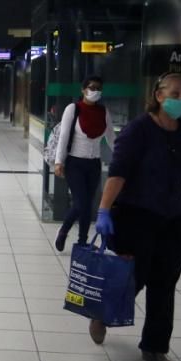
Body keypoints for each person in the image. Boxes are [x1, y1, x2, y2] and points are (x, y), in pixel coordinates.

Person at [93, 72, 181, 361]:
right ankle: (102, 313)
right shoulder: (139, 130)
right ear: (159, 95)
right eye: (174, 93)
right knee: (134, 279)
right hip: (136, 216)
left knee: (165, 284)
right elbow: (118, 171)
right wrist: (103, 210)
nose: (180, 99)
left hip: (172, 218)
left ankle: (154, 347)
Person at [53, 76, 116, 251]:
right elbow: (64, 137)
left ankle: (82, 242)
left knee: (87, 204)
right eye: (91, 87)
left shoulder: (103, 112)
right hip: (75, 163)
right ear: (83, 90)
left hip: (94, 164)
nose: (95, 91)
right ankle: (64, 231)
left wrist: (122, 156)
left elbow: (111, 138)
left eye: (98, 88)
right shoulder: (73, 109)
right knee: (81, 203)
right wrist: (59, 162)